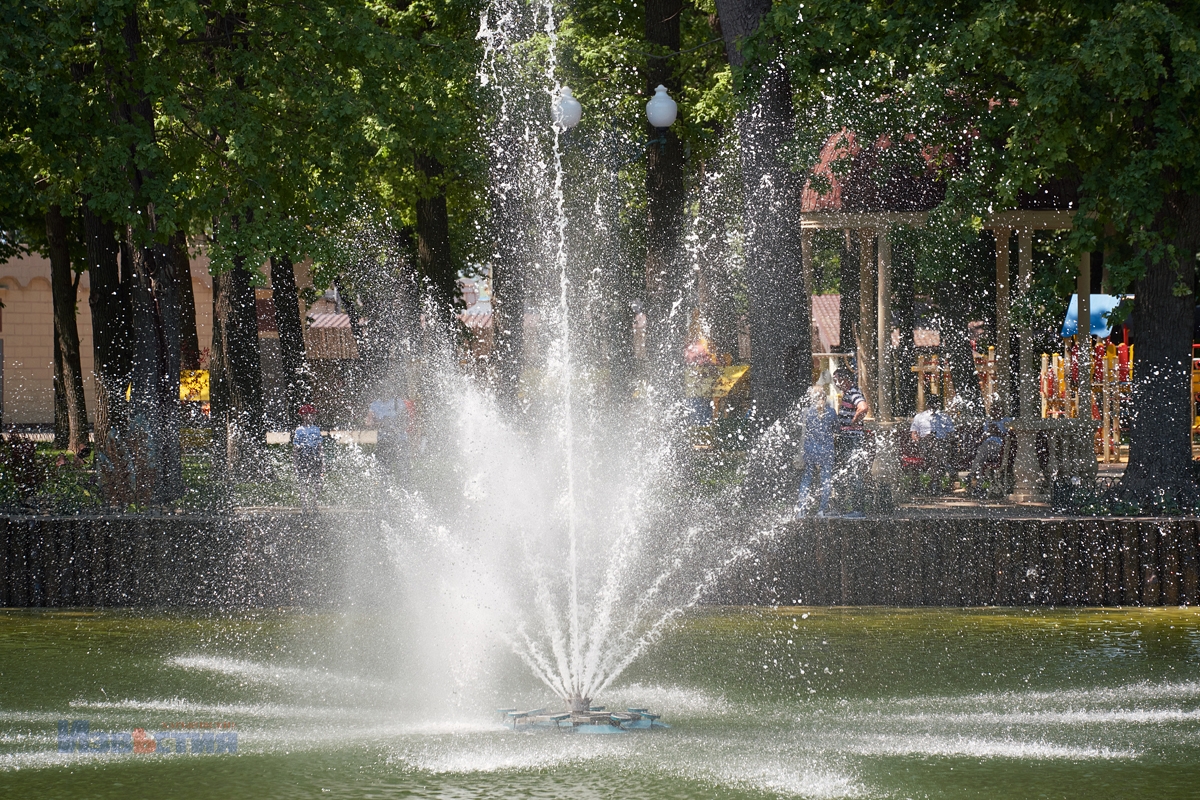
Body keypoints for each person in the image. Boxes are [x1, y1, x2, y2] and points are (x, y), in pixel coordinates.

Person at [833, 368, 870, 517]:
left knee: (854, 472)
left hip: (852, 439)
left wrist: (854, 421)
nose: (835, 383)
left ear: (845, 379)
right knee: (846, 472)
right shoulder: (849, 393)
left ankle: (858, 509)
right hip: (847, 438)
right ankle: (846, 507)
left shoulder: (853, 392)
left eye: (837, 379)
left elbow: (863, 407)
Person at [796, 386, 838, 517]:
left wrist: (800, 452)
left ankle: (801, 510)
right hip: (826, 450)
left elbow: (803, 432)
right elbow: (837, 429)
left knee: (806, 479)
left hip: (810, 450)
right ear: (824, 398)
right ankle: (822, 509)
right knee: (825, 479)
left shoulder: (806, 412)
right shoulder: (831, 412)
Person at [909, 393, 957, 491]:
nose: (933, 405)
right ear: (928, 404)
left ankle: (934, 483)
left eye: (935, 403)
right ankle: (935, 482)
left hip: (941, 445)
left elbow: (951, 435)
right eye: (931, 403)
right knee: (937, 451)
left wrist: (942, 439)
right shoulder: (919, 417)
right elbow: (913, 434)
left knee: (937, 449)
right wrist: (921, 440)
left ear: (937, 404)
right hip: (924, 445)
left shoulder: (944, 417)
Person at [293, 404, 323, 512]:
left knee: (317, 481)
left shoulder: (316, 429)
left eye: (314, 415)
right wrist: (295, 462)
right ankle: (304, 504)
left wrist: (322, 460)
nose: (313, 417)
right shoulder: (299, 430)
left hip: (314, 457)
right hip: (303, 457)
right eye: (311, 415)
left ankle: (314, 502)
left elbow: (319, 446)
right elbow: (296, 447)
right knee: (303, 481)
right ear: (304, 416)